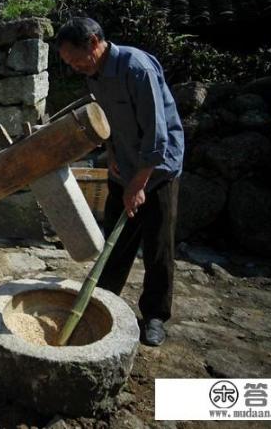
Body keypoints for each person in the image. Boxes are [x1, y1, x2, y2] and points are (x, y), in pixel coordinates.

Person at [57, 17, 184, 346]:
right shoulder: (94, 74)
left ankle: (155, 315)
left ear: (94, 43)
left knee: (158, 247)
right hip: (124, 165)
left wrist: (139, 184)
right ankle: (104, 299)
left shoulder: (136, 68)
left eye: (76, 59)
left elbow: (157, 136)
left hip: (158, 172)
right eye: (68, 63)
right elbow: (108, 119)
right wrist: (112, 152)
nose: (74, 67)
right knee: (115, 244)